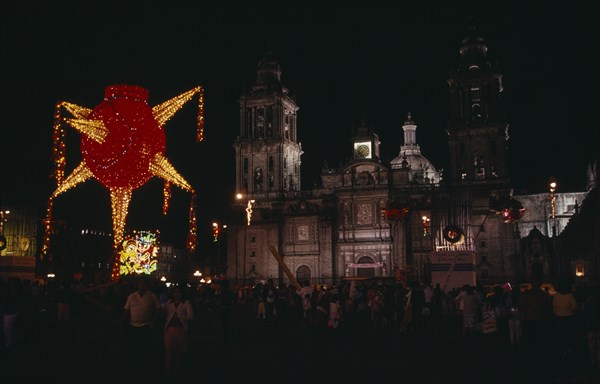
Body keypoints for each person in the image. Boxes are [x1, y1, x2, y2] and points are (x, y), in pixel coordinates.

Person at [122, 277, 161, 370]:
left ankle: (143, 368)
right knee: (133, 349)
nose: (142, 285)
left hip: (145, 326)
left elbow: (159, 309)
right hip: (133, 326)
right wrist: (123, 324)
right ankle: (133, 367)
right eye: (140, 283)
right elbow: (126, 310)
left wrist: (154, 321)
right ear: (137, 284)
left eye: (144, 283)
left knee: (144, 349)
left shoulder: (152, 296)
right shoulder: (132, 296)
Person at [163, 285, 194, 378]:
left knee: (179, 352)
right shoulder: (169, 302)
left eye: (178, 292)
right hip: (170, 329)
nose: (176, 294)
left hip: (181, 329)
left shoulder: (186, 303)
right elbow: (164, 311)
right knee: (169, 351)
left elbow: (191, 316)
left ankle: (177, 371)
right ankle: (169, 372)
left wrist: (181, 317)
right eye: (175, 292)